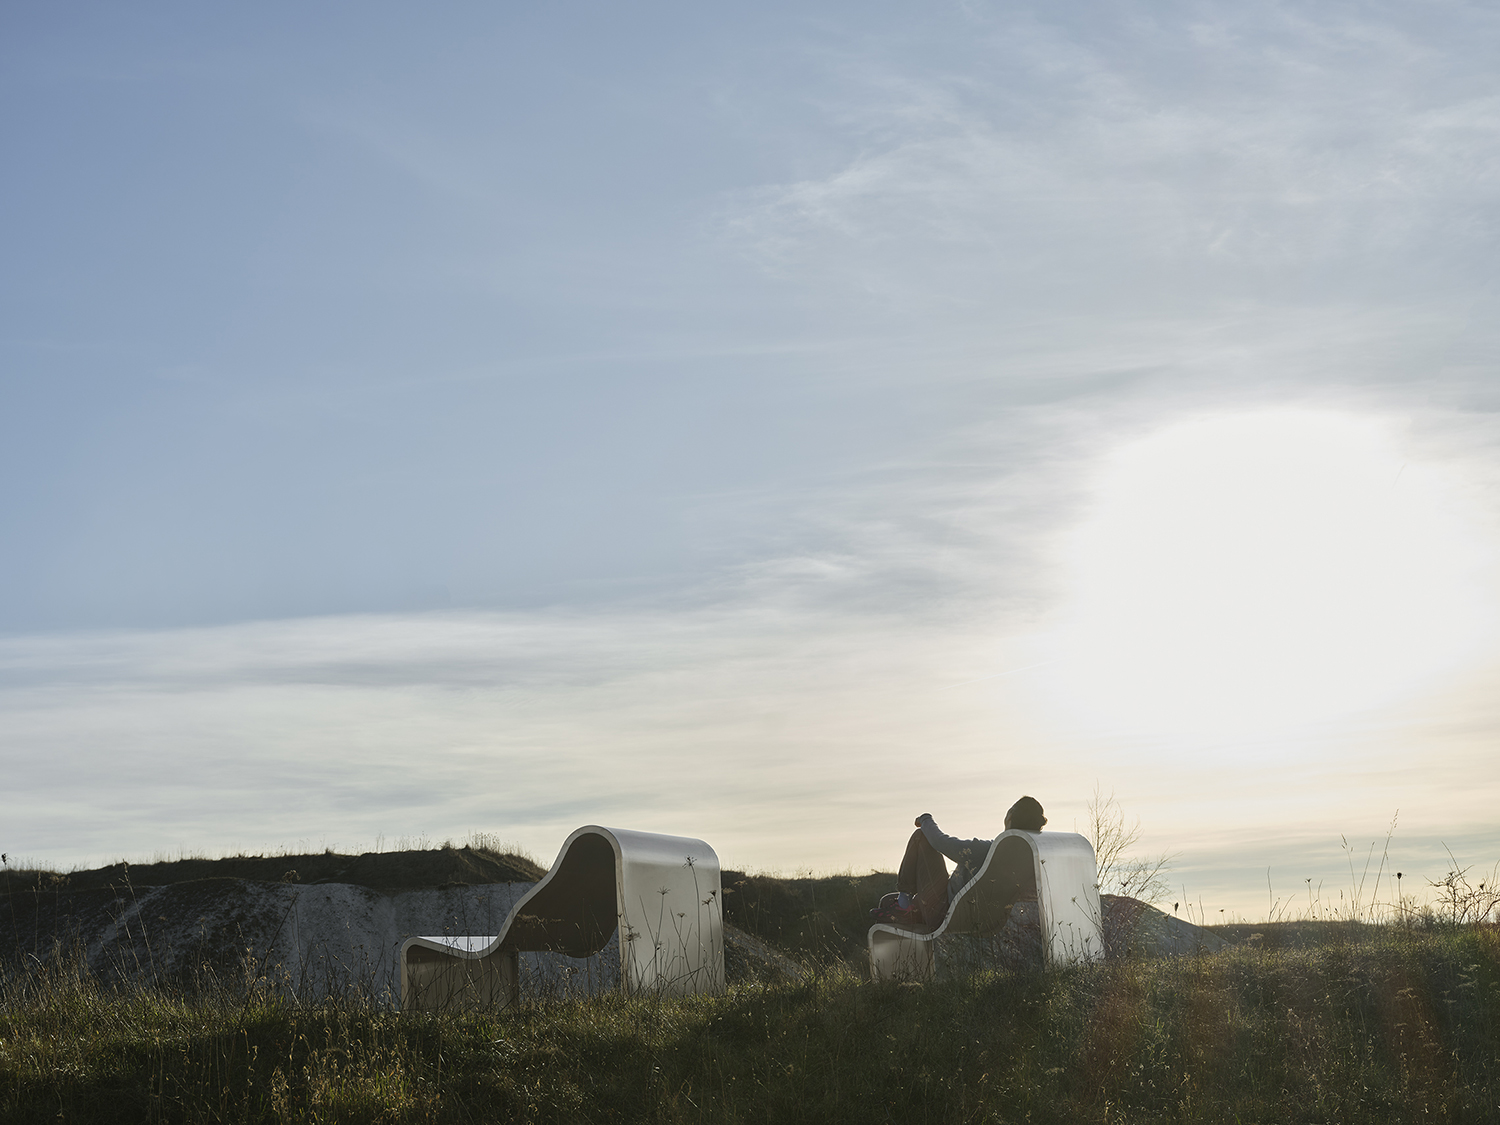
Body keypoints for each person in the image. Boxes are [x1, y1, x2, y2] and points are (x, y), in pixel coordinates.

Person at [870, 796, 1046, 930]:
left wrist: (926, 819)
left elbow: (942, 843)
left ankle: (904, 903)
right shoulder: (1035, 856)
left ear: (1010, 818)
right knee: (887, 902)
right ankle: (906, 906)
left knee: (921, 837)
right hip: (988, 922)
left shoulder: (990, 850)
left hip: (944, 913)